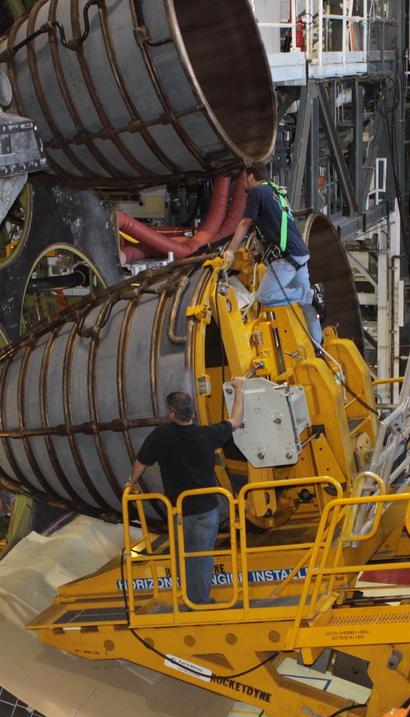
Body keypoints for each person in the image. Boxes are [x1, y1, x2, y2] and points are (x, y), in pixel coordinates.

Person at [126, 378, 245, 608]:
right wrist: (239, 389)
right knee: (201, 557)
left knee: (183, 556)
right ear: (193, 412)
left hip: (179, 511)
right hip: (206, 510)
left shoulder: (161, 436)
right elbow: (236, 420)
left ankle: (189, 599)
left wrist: (132, 482)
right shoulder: (207, 435)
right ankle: (199, 602)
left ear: (172, 414)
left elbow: (141, 462)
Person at [221, 162, 322, 347]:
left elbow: (244, 223)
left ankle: (309, 293)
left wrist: (230, 250)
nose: (242, 183)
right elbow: (272, 221)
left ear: (251, 176)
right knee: (307, 306)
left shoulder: (256, 192)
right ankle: (318, 346)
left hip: (286, 257)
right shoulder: (275, 191)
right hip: (299, 253)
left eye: (244, 179)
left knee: (265, 296)